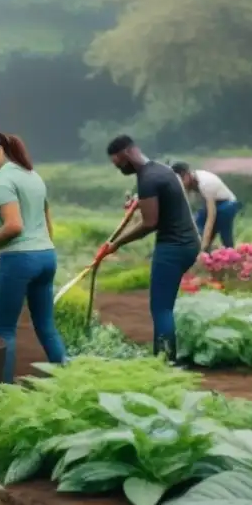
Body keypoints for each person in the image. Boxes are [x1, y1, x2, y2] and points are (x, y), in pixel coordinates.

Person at [0, 131, 65, 383]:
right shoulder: (32, 175)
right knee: (45, 325)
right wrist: (45, 246)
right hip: (46, 255)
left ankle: (4, 395)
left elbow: (14, 226)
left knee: (3, 330)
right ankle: (69, 381)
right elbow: (47, 220)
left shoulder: (3, 182)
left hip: (19, 260)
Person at [97, 135, 200, 361]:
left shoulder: (148, 179)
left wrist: (116, 244)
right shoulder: (161, 170)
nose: (119, 169)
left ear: (126, 155)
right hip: (188, 242)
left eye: (118, 164)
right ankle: (167, 359)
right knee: (165, 306)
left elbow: (149, 223)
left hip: (173, 246)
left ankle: (164, 363)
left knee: (161, 308)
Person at [171, 162, 242, 250]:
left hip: (227, 204)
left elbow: (211, 218)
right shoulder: (190, 182)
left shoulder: (205, 183)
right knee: (196, 226)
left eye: (182, 179)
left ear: (187, 174)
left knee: (223, 230)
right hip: (211, 203)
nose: (181, 183)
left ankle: (228, 252)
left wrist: (204, 244)